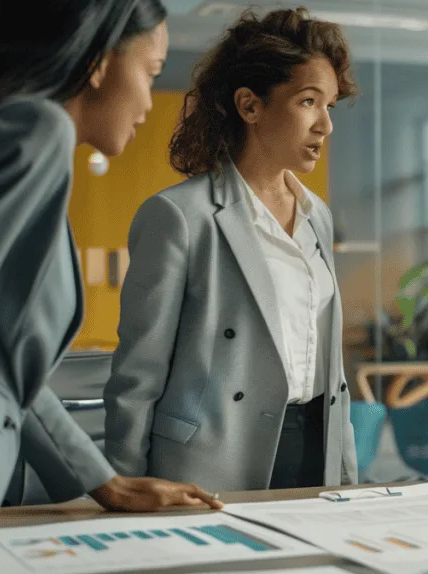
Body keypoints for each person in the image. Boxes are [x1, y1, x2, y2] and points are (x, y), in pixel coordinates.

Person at [0, 0, 222, 544]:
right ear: (96, 61)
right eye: (151, 73)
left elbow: (3, 366)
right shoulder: (37, 130)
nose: (149, 102)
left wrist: (103, 482)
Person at [104, 7, 359, 492]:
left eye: (330, 105)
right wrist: (120, 489)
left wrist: (347, 477)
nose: (325, 125)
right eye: (309, 101)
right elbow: (138, 376)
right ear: (250, 105)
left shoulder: (317, 216)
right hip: (212, 460)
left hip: (314, 452)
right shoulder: (179, 217)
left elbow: (333, 370)